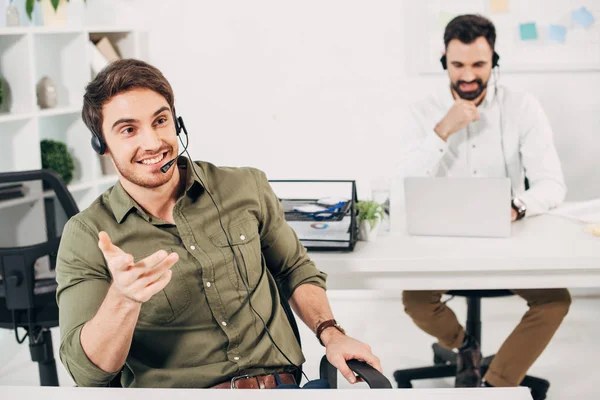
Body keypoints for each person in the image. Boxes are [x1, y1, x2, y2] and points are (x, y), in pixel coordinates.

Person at [56, 59, 381, 388]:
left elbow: (294, 269)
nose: (153, 142)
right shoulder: (87, 235)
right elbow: (87, 373)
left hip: (280, 387)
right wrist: (123, 300)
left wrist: (332, 334)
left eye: (160, 121)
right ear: (102, 145)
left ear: (177, 123)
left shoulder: (245, 186)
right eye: (128, 130)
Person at [398, 15, 571, 388]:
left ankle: (496, 388)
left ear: (494, 61)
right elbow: (403, 183)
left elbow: (552, 184)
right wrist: (443, 130)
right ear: (445, 61)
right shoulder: (423, 112)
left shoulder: (522, 107)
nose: (468, 76)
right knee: (415, 300)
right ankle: (464, 346)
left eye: (479, 64)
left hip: (505, 239)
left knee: (555, 300)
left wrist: (515, 207)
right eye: (458, 65)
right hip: (442, 243)